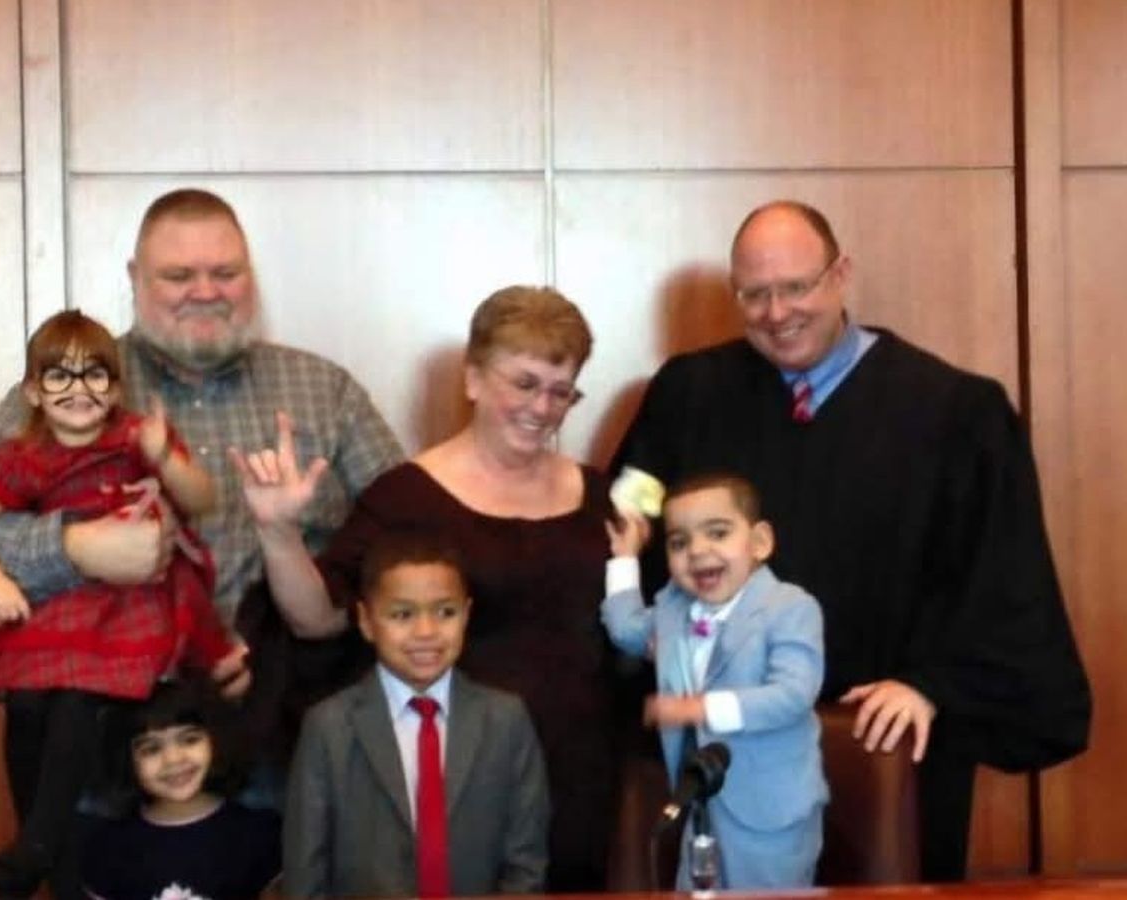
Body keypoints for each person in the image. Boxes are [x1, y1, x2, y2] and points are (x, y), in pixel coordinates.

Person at [0, 188, 403, 896]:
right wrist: (76, 548)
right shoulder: (74, 389)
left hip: (277, 745)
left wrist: (298, 626)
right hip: (106, 756)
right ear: (134, 278)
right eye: (179, 276)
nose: (205, 292)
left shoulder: (324, 391)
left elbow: (401, 550)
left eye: (226, 272)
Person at [612, 199, 1091, 881]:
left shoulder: (956, 414)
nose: (777, 312)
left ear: (841, 275)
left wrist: (933, 685)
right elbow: (628, 526)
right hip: (723, 753)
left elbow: (1002, 582)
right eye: (755, 294)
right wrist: (652, 627)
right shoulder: (687, 397)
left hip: (884, 752)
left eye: (796, 287)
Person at [316, 285, 618, 891]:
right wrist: (275, 530)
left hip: (581, 768)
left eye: (561, 391)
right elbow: (324, 615)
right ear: (473, 378)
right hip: (456, 768)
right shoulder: (405, 496)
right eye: (524, 383)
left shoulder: (599, 492)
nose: (543, 407)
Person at [0, 310, 237, 898]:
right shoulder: (23, 457)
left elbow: (203, 498)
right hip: (60, 606)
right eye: (60, 376)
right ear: (33, 391)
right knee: (26, 700)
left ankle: (37, 848)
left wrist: (166, 458)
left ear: (116, 387)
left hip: (129, 608)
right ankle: (38, 849)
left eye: (95, 375)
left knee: (77, 696)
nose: (79, 390)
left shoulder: (136, 438)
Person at [283, 530, 549, 898]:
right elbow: (305, 873)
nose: (426, 631)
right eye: (402, 614)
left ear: (467, 614)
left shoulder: (505, 720)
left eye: (445, 612)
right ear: (366, 620)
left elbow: (526, 865)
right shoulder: (329, 727)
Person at [602, 473, 827, 889]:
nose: (697, 551)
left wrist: (702, 708)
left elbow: (793, 694)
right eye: (679, 542)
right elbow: (626, 629)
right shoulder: (674, 610)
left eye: (718, 533)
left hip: (770, 816)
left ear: (760, 542)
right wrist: (625, 555)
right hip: (701, 804)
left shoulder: (790, 607)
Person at [82, 679, 281, 900]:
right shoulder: (108, 847)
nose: (173, 759)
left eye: (189, 740)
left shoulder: (258, 833)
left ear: (217, 739)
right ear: (126, 760)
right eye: (151, 749)